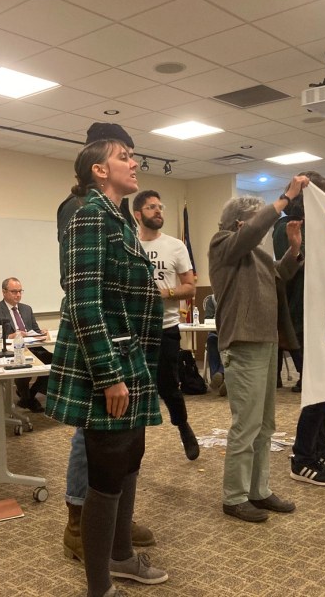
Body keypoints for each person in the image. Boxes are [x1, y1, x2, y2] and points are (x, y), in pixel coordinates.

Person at [46, 139, 168, 596]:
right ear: (99, 170)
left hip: (131, 359)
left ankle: (121, 558)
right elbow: (82, 303)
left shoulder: (119, 218)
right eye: (123, 158)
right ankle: (100, 585)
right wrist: (110, 374)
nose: (133, 162)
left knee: (128, 460)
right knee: (107, 471)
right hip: (109, 364)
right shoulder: (89, 216)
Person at [209, 178, 307, 523]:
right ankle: (234, 497)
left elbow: (279, 277)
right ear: (241, 223)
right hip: (243, 343)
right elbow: (252, 233)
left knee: (265, 424)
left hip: (266, 342)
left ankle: (258, 490)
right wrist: (284, 199)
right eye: (258, 220)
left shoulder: (255, 254)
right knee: (246, 425)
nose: (264, 228)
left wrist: (293, 249)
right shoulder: (223, 244)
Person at [272, 172, 325, 487]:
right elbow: (297, 263)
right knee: (317, 393)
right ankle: (302, 457)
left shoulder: (324, 227)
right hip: (301, 321)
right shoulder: (287, 227)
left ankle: (321, 450)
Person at [133, 189, 199, 461]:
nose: (158, 211)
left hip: (166, 328)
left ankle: (183, 426)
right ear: (138, 215)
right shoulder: (129, 245)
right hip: (133, 329)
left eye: (160, 206)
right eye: (151, 207)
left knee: (168, 385)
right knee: (134, 388)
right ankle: (133, 444)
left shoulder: (175, 246)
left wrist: (165, 293)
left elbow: (190, 288)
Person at [0, 277, 53, 412]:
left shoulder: (27, 309)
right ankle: (27, 397)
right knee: (23, 366)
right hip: (12, 350)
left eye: (20, 291)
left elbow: (35, 330)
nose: (18, 295)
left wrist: (41, 333)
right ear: (4, 292)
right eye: (14, 291)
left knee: (56, 361)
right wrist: (11, 336)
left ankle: (28, 396)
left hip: (33, 347)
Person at [202, 294, 226, 396]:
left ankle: (220, 376)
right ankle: (218, 378)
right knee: (212, 341)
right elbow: (207, 319)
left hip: (230, 333)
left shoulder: (233, 297)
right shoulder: (211, 300)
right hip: (215, 332)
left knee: (230, 347)